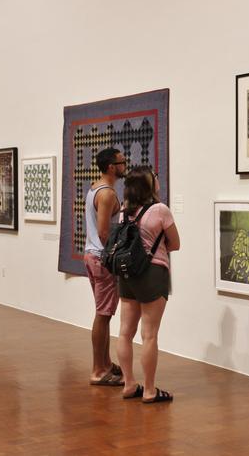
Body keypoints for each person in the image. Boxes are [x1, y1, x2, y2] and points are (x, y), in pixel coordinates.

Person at [116, 166, 180, 403]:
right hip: (153, 272)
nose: (158, 178)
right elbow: (175, 244)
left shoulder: (124, 211)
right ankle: (150, 390)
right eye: (154, 176)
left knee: (125, 332)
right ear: (149, 184)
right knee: (149, 335)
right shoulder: (160, 210)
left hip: (127, 273)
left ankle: (129, 383)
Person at [83, 147, 127, 385]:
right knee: (103, 314)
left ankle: (105, 364)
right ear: (111, 166)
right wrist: (118, 251)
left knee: (104, 314)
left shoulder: (94, 188)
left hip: (92, 256)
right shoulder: (107, 193)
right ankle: (97, 370)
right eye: (122, 161)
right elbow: (102, 232)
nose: (124, 165)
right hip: (101, 258)